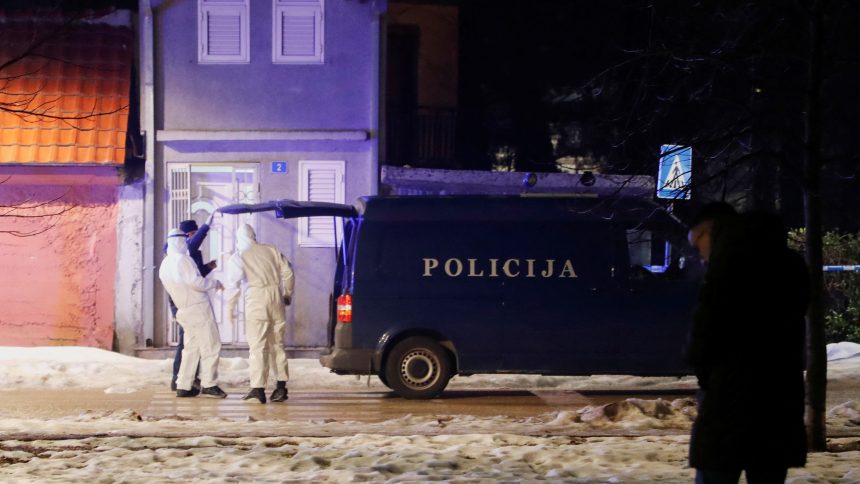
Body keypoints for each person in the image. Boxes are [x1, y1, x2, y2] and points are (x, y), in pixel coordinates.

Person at [685, 204, 808, 483]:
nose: (701, 256)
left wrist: (706, 375)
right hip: (779, 403)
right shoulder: (790, 264)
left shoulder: (724, 269)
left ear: (711, 230)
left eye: (697, 243)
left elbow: (702, 338)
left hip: (726, 404)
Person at [225, 224, 295, 404]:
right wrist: (287, 293)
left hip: (256, 301)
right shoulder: (271, 249)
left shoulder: (239, 256)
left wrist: (229, 310)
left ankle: (258, 389)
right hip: (276, 298)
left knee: (258, 346)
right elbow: (288, 272)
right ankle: (281, 388)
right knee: (277, 344)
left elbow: (233, 286)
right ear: (253, 236)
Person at [159, 228, 228, 399]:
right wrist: (214, 283)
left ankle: (184, 384)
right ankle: (209, 384)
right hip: (197, 307)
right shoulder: (183, 260)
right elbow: (195, 282)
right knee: (211, 345)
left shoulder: (165, 263)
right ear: (181, 242)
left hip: (182, 309)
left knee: (191, 348)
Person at [168, 213, 218, 391]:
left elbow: (195, 276)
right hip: (186, 303)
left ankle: (186, 381)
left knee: (191, 343)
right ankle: (182, 380)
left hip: (187, 302)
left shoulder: (190, 253)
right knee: (192, 343)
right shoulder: (181, 253)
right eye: (193, 233)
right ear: (186, 236)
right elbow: (194, 281)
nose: (195, 237)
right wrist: (206, 227)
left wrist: (208, 268)